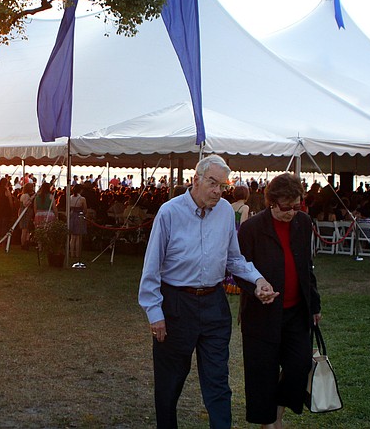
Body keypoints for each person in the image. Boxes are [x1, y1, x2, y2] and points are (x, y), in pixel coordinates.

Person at [138, 155, 278, 429]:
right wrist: (155, 313)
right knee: (170, 383)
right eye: (212, 183)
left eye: (223, 186)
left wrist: (258, 279)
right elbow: (151, 268)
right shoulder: (169, 212)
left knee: (218, 381)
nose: (217, 191)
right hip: (177, 304)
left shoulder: (225, 211)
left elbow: (234, 259)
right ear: (196, 180)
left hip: (214, 304)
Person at [236, 173, 321, 428]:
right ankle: (269, 423)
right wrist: (255, 289)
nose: (292, 212)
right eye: (287, 207)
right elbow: (239, 268)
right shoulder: (252, 228)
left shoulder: (303, 223)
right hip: (262, 315)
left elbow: (307, 267)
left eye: (297, 206)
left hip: (296, 312)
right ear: (272, 202)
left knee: (300, 364)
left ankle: (277, 414)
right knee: (263, 374)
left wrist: (314, 304)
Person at [68, 185, 88, 262]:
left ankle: (71, 253)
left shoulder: (70, 197)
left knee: (72, 237)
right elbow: (85, 210)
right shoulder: (82, 199)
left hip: (72, 216)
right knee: (78, 237)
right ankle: (77, 254)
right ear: (81, 190)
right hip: (79, 216)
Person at [18, 182, 35, 250]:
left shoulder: (24, 195)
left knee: (26, 229)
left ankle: (26, 243)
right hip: (25, 213)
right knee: (24, 229)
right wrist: (31, 199)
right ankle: (23, 244)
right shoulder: (26, 196)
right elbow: (26, 204)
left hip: (26, 213)